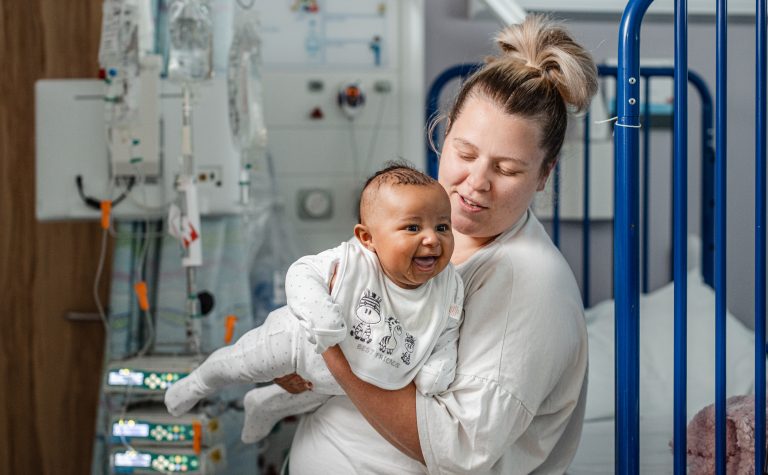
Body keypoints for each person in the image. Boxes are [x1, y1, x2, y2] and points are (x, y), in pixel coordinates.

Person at [276, 15, 598, 474]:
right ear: (444, 134)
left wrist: (330, 353)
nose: (476, 183)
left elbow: (461, 446)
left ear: (544, 174)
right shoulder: (430, 234)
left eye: (506, 170)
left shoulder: (527, 282)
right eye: (465, 154)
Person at [164, 164, 464, 443]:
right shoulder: (351, 262)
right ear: (367, 238)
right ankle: (200, 381)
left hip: (345, 379)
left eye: (442, 227)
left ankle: (262, 405)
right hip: (295, 342)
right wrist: (321, 316)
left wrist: (438, 366)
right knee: (238, 363)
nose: (432, 240)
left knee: (304, 397)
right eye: (413, 228)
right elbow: (302, 271)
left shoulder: (447, 286)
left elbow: (447, 329)